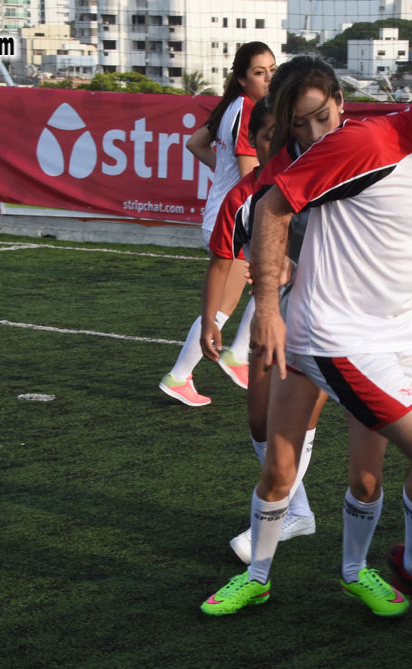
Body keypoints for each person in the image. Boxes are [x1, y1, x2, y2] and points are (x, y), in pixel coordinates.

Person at [200, 47, 412, 617]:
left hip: (391, 334)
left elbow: (379, 249)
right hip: (334, 337)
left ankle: (380, 569)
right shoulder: (367, 144)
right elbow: (271, 207)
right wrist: (265, 307)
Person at [201, 56, 350, 564]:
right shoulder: (257, 190)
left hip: (354, 315)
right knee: (262, 423)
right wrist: (232, 312)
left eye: (322, 118)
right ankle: (297, 511)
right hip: (291, 310)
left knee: (373, 460)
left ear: (340, 106)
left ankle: (361, 561)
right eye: (293, 126)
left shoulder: (362, 151)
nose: (311, 132)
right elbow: (225, 261)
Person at [159, 41, 276, 406]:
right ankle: (187, 373)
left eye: (273, 69)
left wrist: (224, 174)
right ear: (242, 78)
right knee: (228, 305)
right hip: (235, 220)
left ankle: (229, 357)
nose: (269, 78)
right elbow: (249, 176)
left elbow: (195, 144)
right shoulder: (247, 111)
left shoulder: (232, 107)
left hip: (224, 213)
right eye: (260, 72)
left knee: (272, 278)